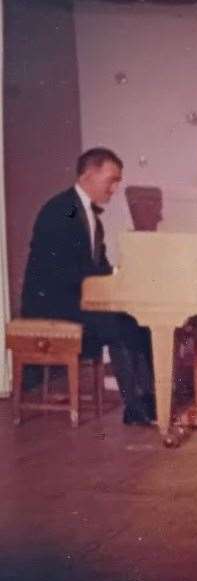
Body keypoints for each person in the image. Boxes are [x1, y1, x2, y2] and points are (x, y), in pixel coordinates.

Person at [21, 148, 156, 426]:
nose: (116, 188)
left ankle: (147, 400)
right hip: (53, 305)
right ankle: (136, 407)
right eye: (112, 180)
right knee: (121, 325)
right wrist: (105, 286)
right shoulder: (60, 210)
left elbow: (99, 268)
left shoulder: (90, 217)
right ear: (88, 175)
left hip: (78, 300)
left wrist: (121, 279)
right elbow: (59, 272)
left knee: (139, 321)